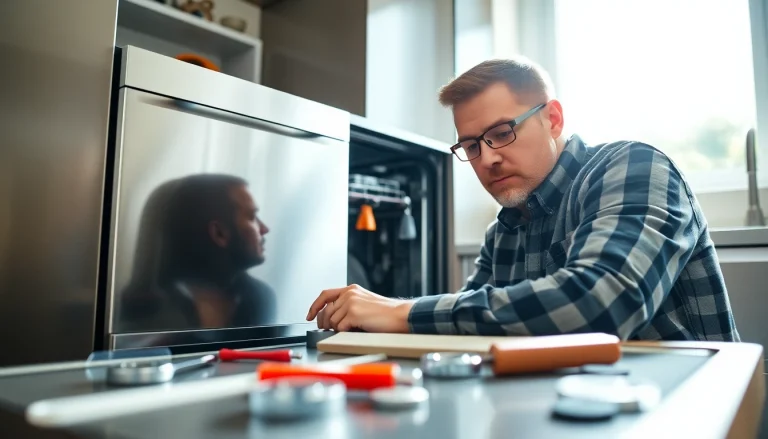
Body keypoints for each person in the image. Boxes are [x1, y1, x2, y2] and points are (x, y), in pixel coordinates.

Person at [306, 58, 740, 341]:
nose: (488, 158)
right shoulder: (505, 230)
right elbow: (466, 324)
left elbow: (599, 304)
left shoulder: (634, 166)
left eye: (500, 133)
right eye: (471, 146)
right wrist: (367, 319)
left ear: (553, 119)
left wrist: (400, 311)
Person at [119, 174, 276, 332]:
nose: (264, 229)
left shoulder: (260, 300)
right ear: (219, 233)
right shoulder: (143, 312)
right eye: (251, 217)